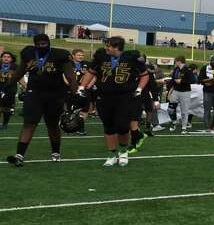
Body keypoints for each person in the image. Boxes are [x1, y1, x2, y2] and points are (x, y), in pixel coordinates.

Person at [5, 33, 75, 166]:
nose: (42, 46)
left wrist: (74, 91)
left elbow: (69, 74)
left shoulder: (59, 55)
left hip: (55, 94)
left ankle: (56, 152)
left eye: (44, 43)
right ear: (35, 44)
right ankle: (19, 155)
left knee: (53, 125)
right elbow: (20, 71)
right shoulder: (28, 53)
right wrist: (8, 85)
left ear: (48, 43)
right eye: (39, 44)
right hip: (34, 93)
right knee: (29, 123)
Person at [77, 35, 147, 167]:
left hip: (124, 96)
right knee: (108, 126)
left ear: (116, 47)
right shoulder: (101, 56)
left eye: (108, 46)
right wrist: (82, 86)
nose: (106, 48)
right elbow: (91, 72)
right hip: (104, 96)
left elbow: (145, 75)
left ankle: (123, 152)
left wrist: (139, 89)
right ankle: (111, 154)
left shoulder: (131, 57)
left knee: (123, 126)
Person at [167, 56, 196, 132]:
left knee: (184, 111)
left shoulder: (187, 70)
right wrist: (169, 92)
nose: (175, 63)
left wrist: (182, 81)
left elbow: (193, 80)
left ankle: (184, 127)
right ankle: (174, 122)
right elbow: (173, 81)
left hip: (185, 92)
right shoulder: (176, 69)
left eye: (175, 61)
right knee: (170, 109)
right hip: (175, 91)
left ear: (179, 61)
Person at [0, 51, 17, 129]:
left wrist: (25, 87)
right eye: (4, 56)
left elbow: (20, 78)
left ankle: (4, 124)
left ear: (11, 58)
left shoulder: (15, 67)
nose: (6, 58)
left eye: (8, 57)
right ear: (1, 58)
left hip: (10, 90)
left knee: (6, 108)